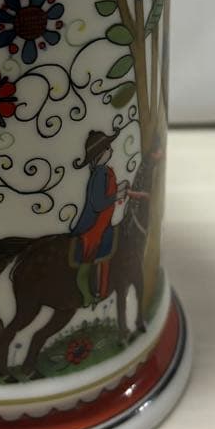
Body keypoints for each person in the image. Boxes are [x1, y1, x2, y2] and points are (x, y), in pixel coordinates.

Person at [70, 127, 129, 307]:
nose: (111, 150)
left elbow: (108, 193)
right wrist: (117, 196)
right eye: (107, 148)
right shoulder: (98, 174)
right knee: (89, 255)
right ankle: (87, 293)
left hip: (105, 221)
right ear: (99, 153)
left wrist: (121, 188)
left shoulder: (106, 171)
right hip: (93, 225)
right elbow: (97, 203)